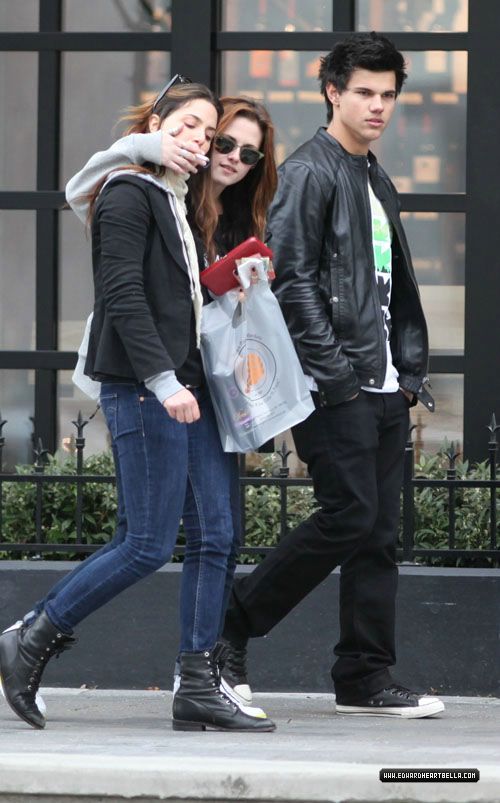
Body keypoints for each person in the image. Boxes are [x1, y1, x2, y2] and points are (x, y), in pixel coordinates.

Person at [0, 80, 275, 733]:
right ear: (156, 125)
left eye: (207, 136)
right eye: (188, 127)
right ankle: (30, 636)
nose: (200, 142)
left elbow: (174, 300)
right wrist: (162, 379)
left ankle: (199, 683)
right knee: (147, 543)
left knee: (217, 535)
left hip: (190, 384)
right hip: (146, 385)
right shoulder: (128, 187)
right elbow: (122, 293)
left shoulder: (177, 202)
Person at [218, 33, 445, 719]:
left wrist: (403, 375)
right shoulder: (311, 171)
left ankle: (365, 676)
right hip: (334, 383)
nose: (378, 106)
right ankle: (231, 624)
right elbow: (289, 279)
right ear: (333, 93)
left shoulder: (375, 178)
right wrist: (338, 375)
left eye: (388, 95)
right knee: (349, 515)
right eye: (364, 93)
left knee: (377, 534)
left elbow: (390, 286)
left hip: (380, 386)